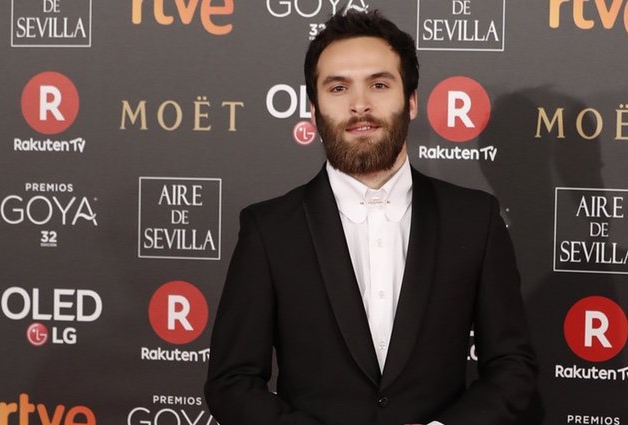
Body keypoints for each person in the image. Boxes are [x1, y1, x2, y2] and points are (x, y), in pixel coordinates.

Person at [205, 9, 537, 425]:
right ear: (314, 108)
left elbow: (512, 367)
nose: (360, 104)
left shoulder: (474, 220)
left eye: (379, 84)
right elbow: (231, 383)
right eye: (338, 87)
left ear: (411, 101)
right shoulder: (269, 229)